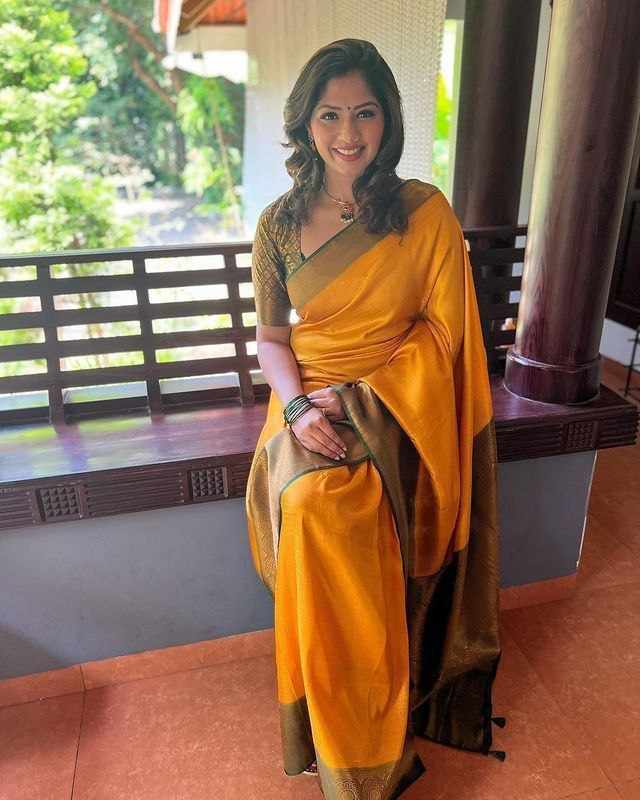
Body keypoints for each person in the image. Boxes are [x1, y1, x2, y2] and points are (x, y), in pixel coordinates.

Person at [244, 38, 504, 800]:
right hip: (304, 399)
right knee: (312, 503)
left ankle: (380, 717)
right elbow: (271, 341)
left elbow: (444, 335)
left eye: (364, 113)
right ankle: (336, 732)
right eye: (330, 115)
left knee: (359, 509)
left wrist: (368, 396)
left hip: (400, 402)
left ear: (387, 119)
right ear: (306, 123)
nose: (348, 133)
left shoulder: (423, 212)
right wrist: (298, 408)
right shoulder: (279, 224)